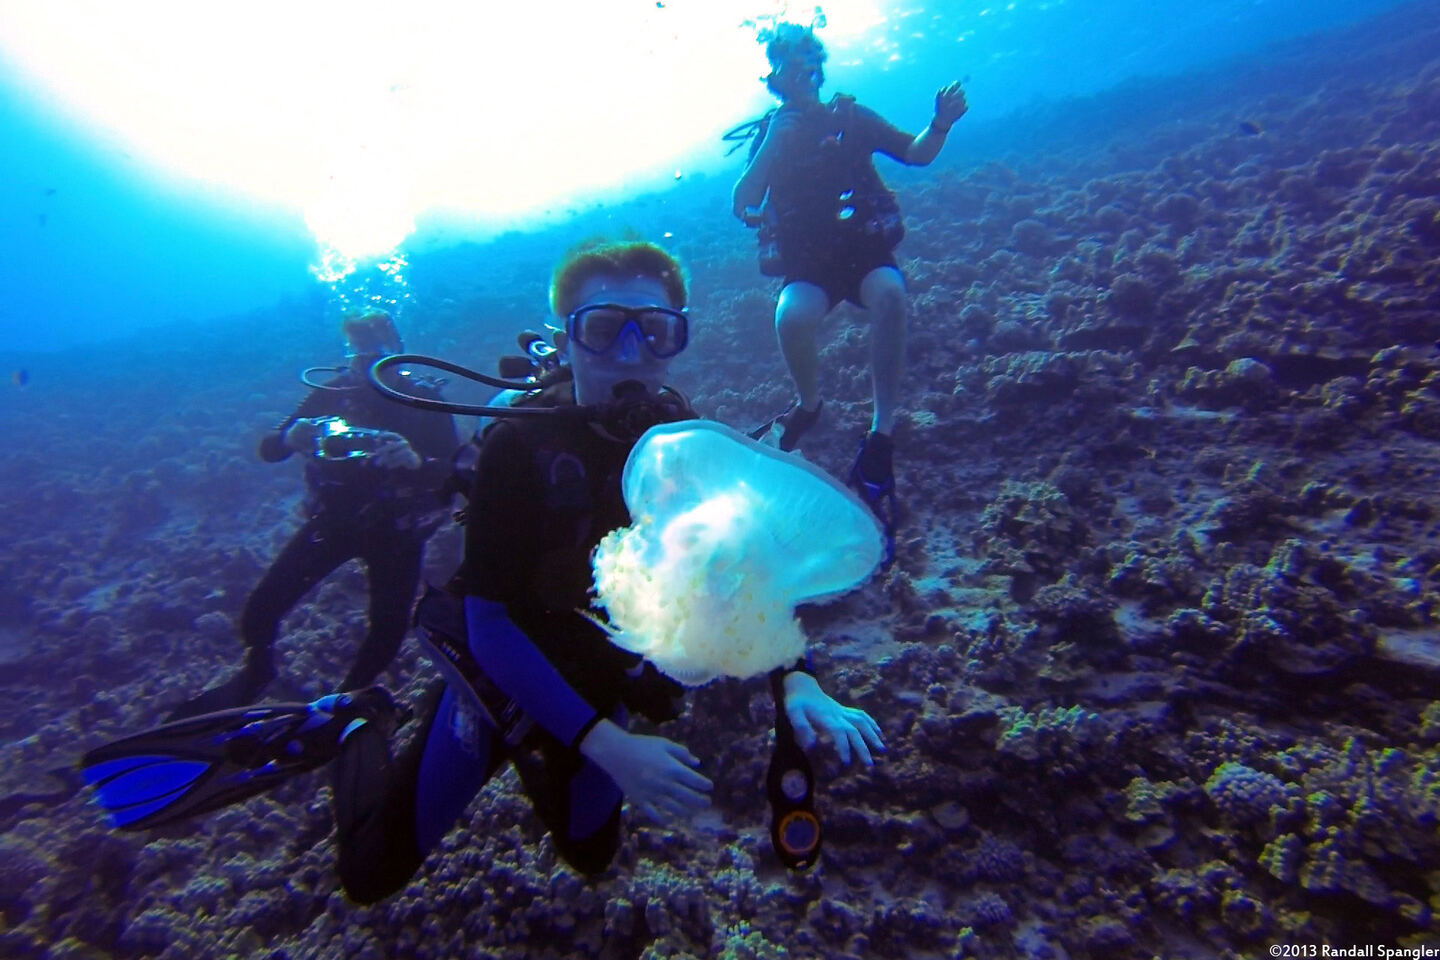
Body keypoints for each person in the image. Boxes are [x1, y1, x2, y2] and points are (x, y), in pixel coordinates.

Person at [83, 241, 884, 900]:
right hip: (498, 676)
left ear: (680, 338)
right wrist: (610, 747)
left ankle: (561, 756)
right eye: (605, 329)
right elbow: (489, 622)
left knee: (592, 857)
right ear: (566, 339)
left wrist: (799, 681)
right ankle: (355, 725)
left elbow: (751, 571)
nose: (631, 353)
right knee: (369, 875)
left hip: (598, 675)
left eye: (656, 332)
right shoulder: (518, 448)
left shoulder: (689, 443)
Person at [732, 23, 968, 558]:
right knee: (791, 316)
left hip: (862, 251)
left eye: (806, 65)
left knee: (891, 293)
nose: (800, 77)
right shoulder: (772, 132)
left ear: (818, 70)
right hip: (809, 263)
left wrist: (941, 123)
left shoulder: (850, 117)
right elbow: (743, 200)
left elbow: (915, 153)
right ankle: (808, 404)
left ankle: (881, 430)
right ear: (774, 79)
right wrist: (771, 144)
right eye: (787, 69)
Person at [165, 311, 459, 721]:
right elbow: (269, 448)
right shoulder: (333, 393)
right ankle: (258, 670)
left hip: (398, 531)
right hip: (336, 521)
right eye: (358, 356)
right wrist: (291, 436)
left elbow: (454, 472)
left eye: (377, 355)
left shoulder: (424, 400)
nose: (367, 367)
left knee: (388, 628)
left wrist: (415, 461)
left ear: (398, 351)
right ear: (348, 355)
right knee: (262, 608)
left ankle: (344, 701)